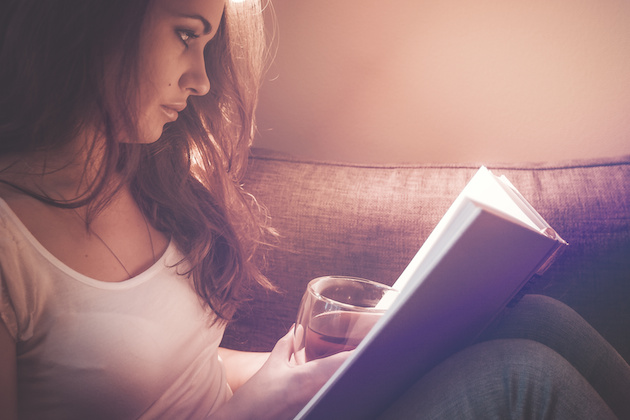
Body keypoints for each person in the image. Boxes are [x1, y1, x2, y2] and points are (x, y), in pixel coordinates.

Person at [0, 0, 628, 419]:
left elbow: (164, 365)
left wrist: (295, 362)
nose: (201, 80)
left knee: (540, 318)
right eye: (186, 35)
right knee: (523, 378)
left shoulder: (149, 177)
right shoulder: (12, 242)